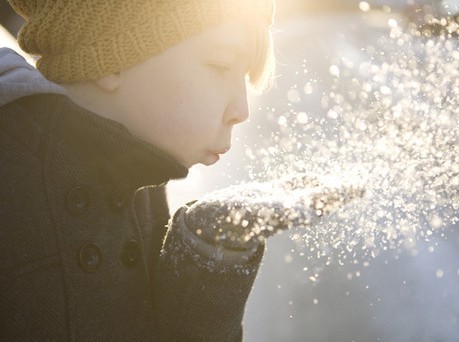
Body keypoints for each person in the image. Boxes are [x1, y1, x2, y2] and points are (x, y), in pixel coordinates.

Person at [0, 0, 360, 340]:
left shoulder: (139, 184)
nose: (241, 110)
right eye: (220, 66)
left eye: (245, 79)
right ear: (111, 57)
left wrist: (208, 256)